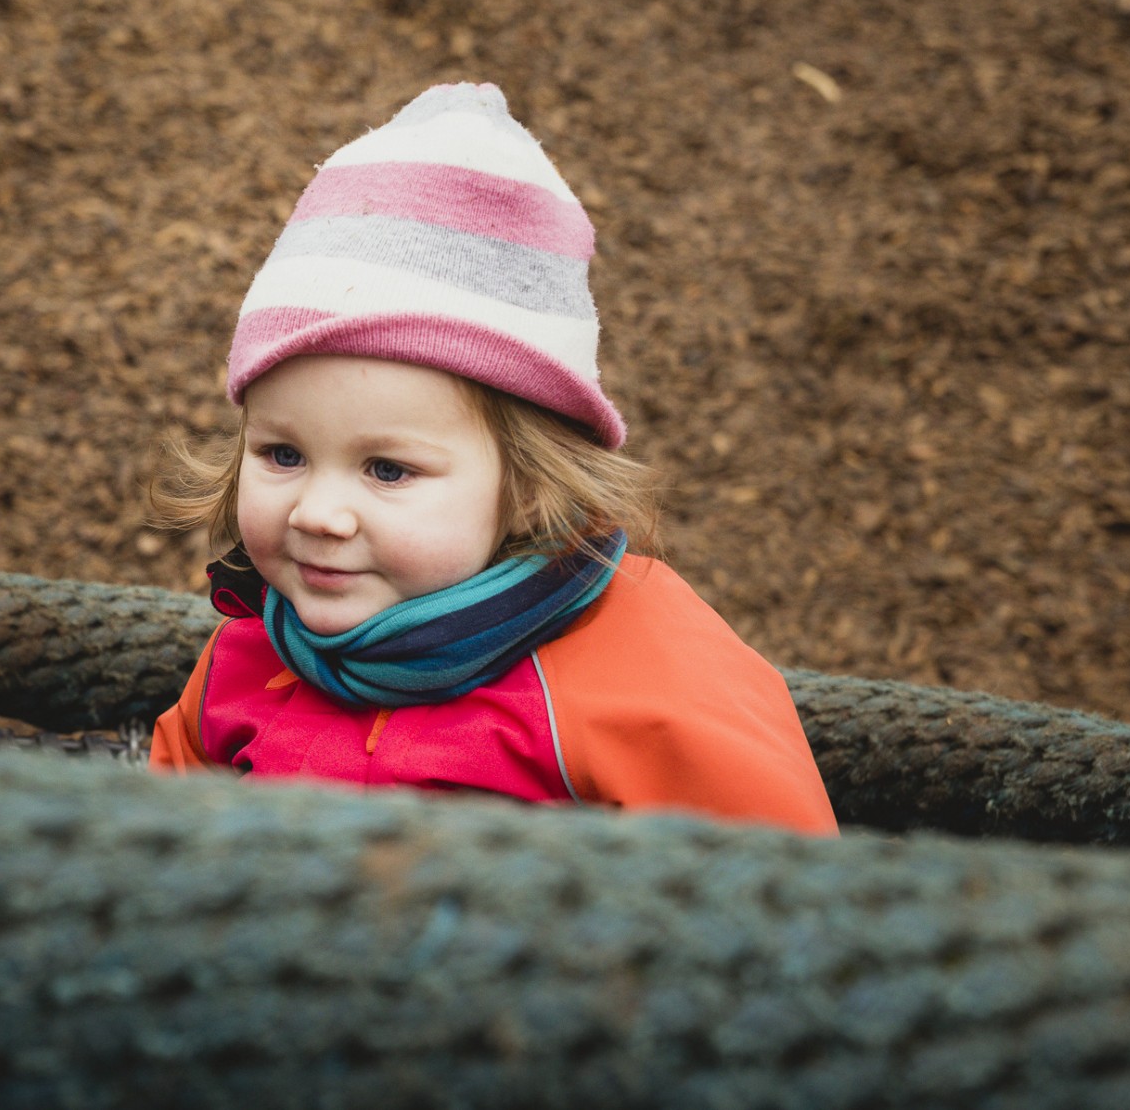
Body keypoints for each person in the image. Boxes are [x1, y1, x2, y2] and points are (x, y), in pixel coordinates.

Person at [147, 82, 836, 835]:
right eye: (284, 454)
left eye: (387, 470)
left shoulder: (648, 682)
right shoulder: (250, 652)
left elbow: (781, 887)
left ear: (529, 486)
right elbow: (161, 834)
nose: (317, 513)